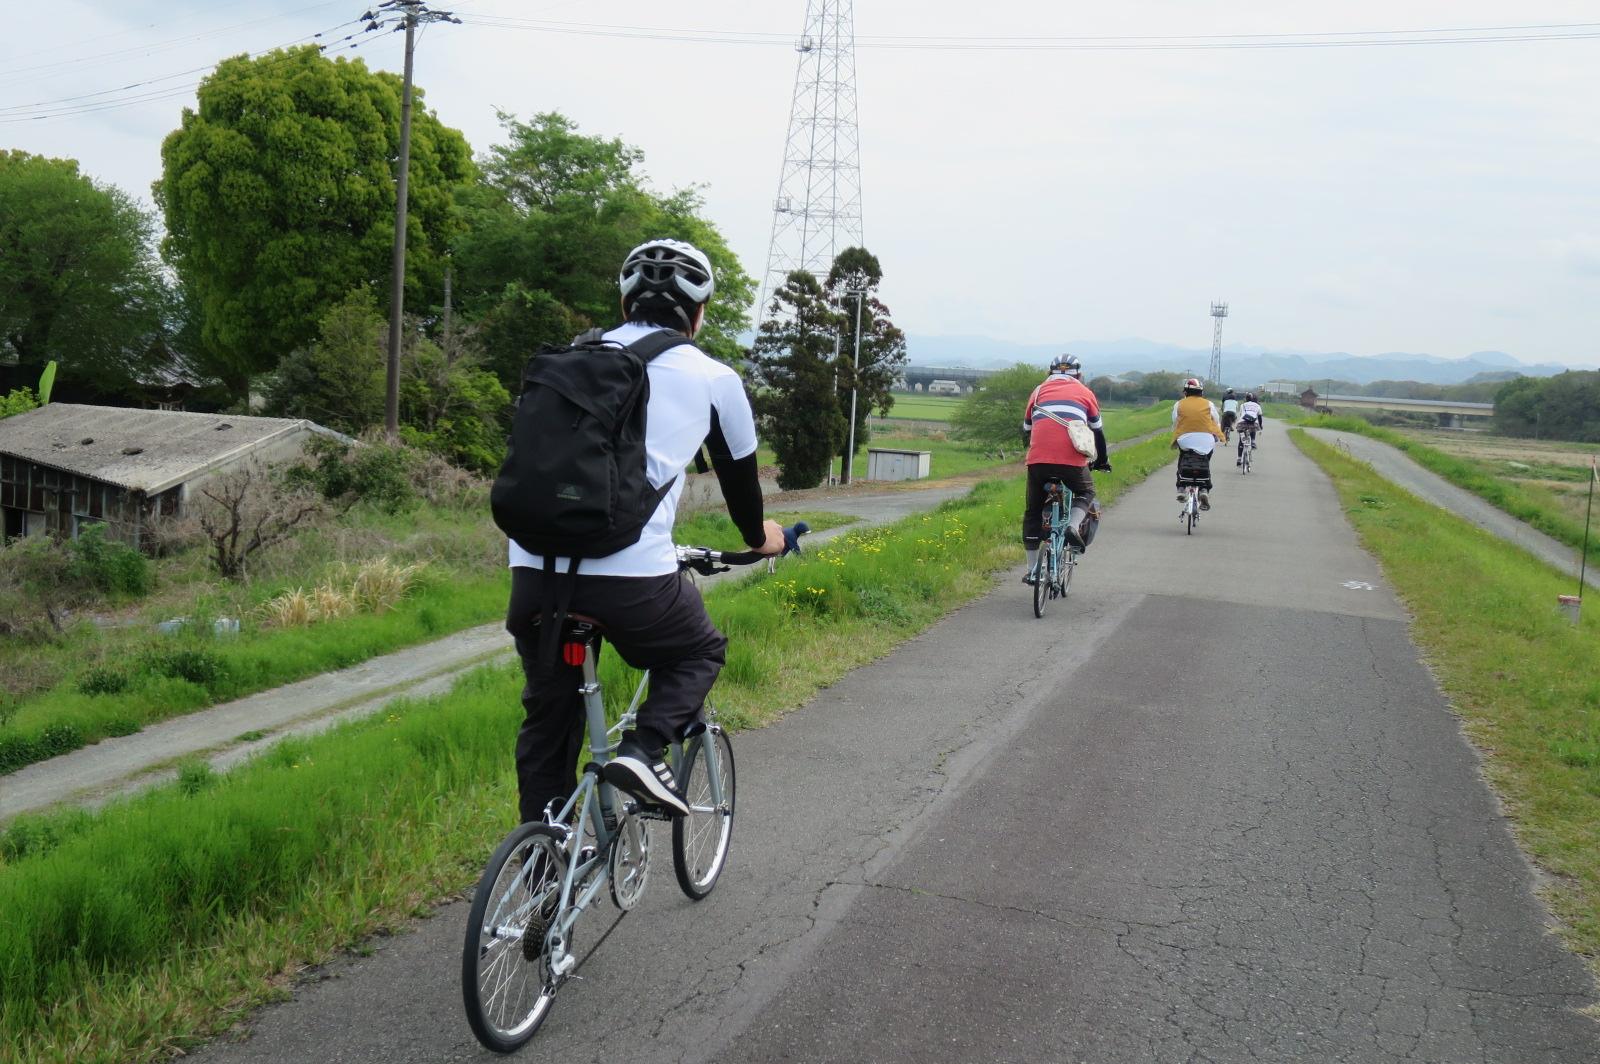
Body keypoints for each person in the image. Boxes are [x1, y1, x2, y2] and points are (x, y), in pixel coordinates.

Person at [505, 239, 784, 823]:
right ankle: (643, 749)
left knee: (550, 722)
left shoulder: (570, 361)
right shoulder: (714, 379)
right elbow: (744, 501)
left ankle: (540, 876)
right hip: (630, 581)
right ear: (699, 312)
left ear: (625, 300)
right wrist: (765, 540)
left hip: (534, 570)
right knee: (699, 650)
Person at [1020, 354, 1111, 583]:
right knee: (1086, 491)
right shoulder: (1085, 392)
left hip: (1038, 460)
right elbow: (1097, 431)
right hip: (1071, 462)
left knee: (1033, 511)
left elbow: (1026, 427)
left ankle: (1032, 571)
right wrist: (1101, 461)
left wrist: (1035, 450)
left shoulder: (1038, 391)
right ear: (1079, 375)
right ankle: (1072, 525)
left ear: (1050, 372)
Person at [1171, 378, 1225, 509]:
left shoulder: (1179, 404)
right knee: (1205, 461)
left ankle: (1181, 488)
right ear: (1201, 392)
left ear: (1185, 392)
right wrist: (1215, 437)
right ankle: (1204, 490)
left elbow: (1175, 423)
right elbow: (1216, 421)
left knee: (1183, 459)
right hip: (1206, 440)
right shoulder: (1209, 404)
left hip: (1185, 439)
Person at [1236, 393, 1265, 464]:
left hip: (1242, 423)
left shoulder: (1242, 405)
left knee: (1241, 440)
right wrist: (1260, 426)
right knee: (1253, 428)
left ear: (1246, 399)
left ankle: (1239, 459)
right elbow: (1259, 417)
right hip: (1253, 423)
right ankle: (1253, 441)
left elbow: (1241, 415)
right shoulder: (1257, 406)